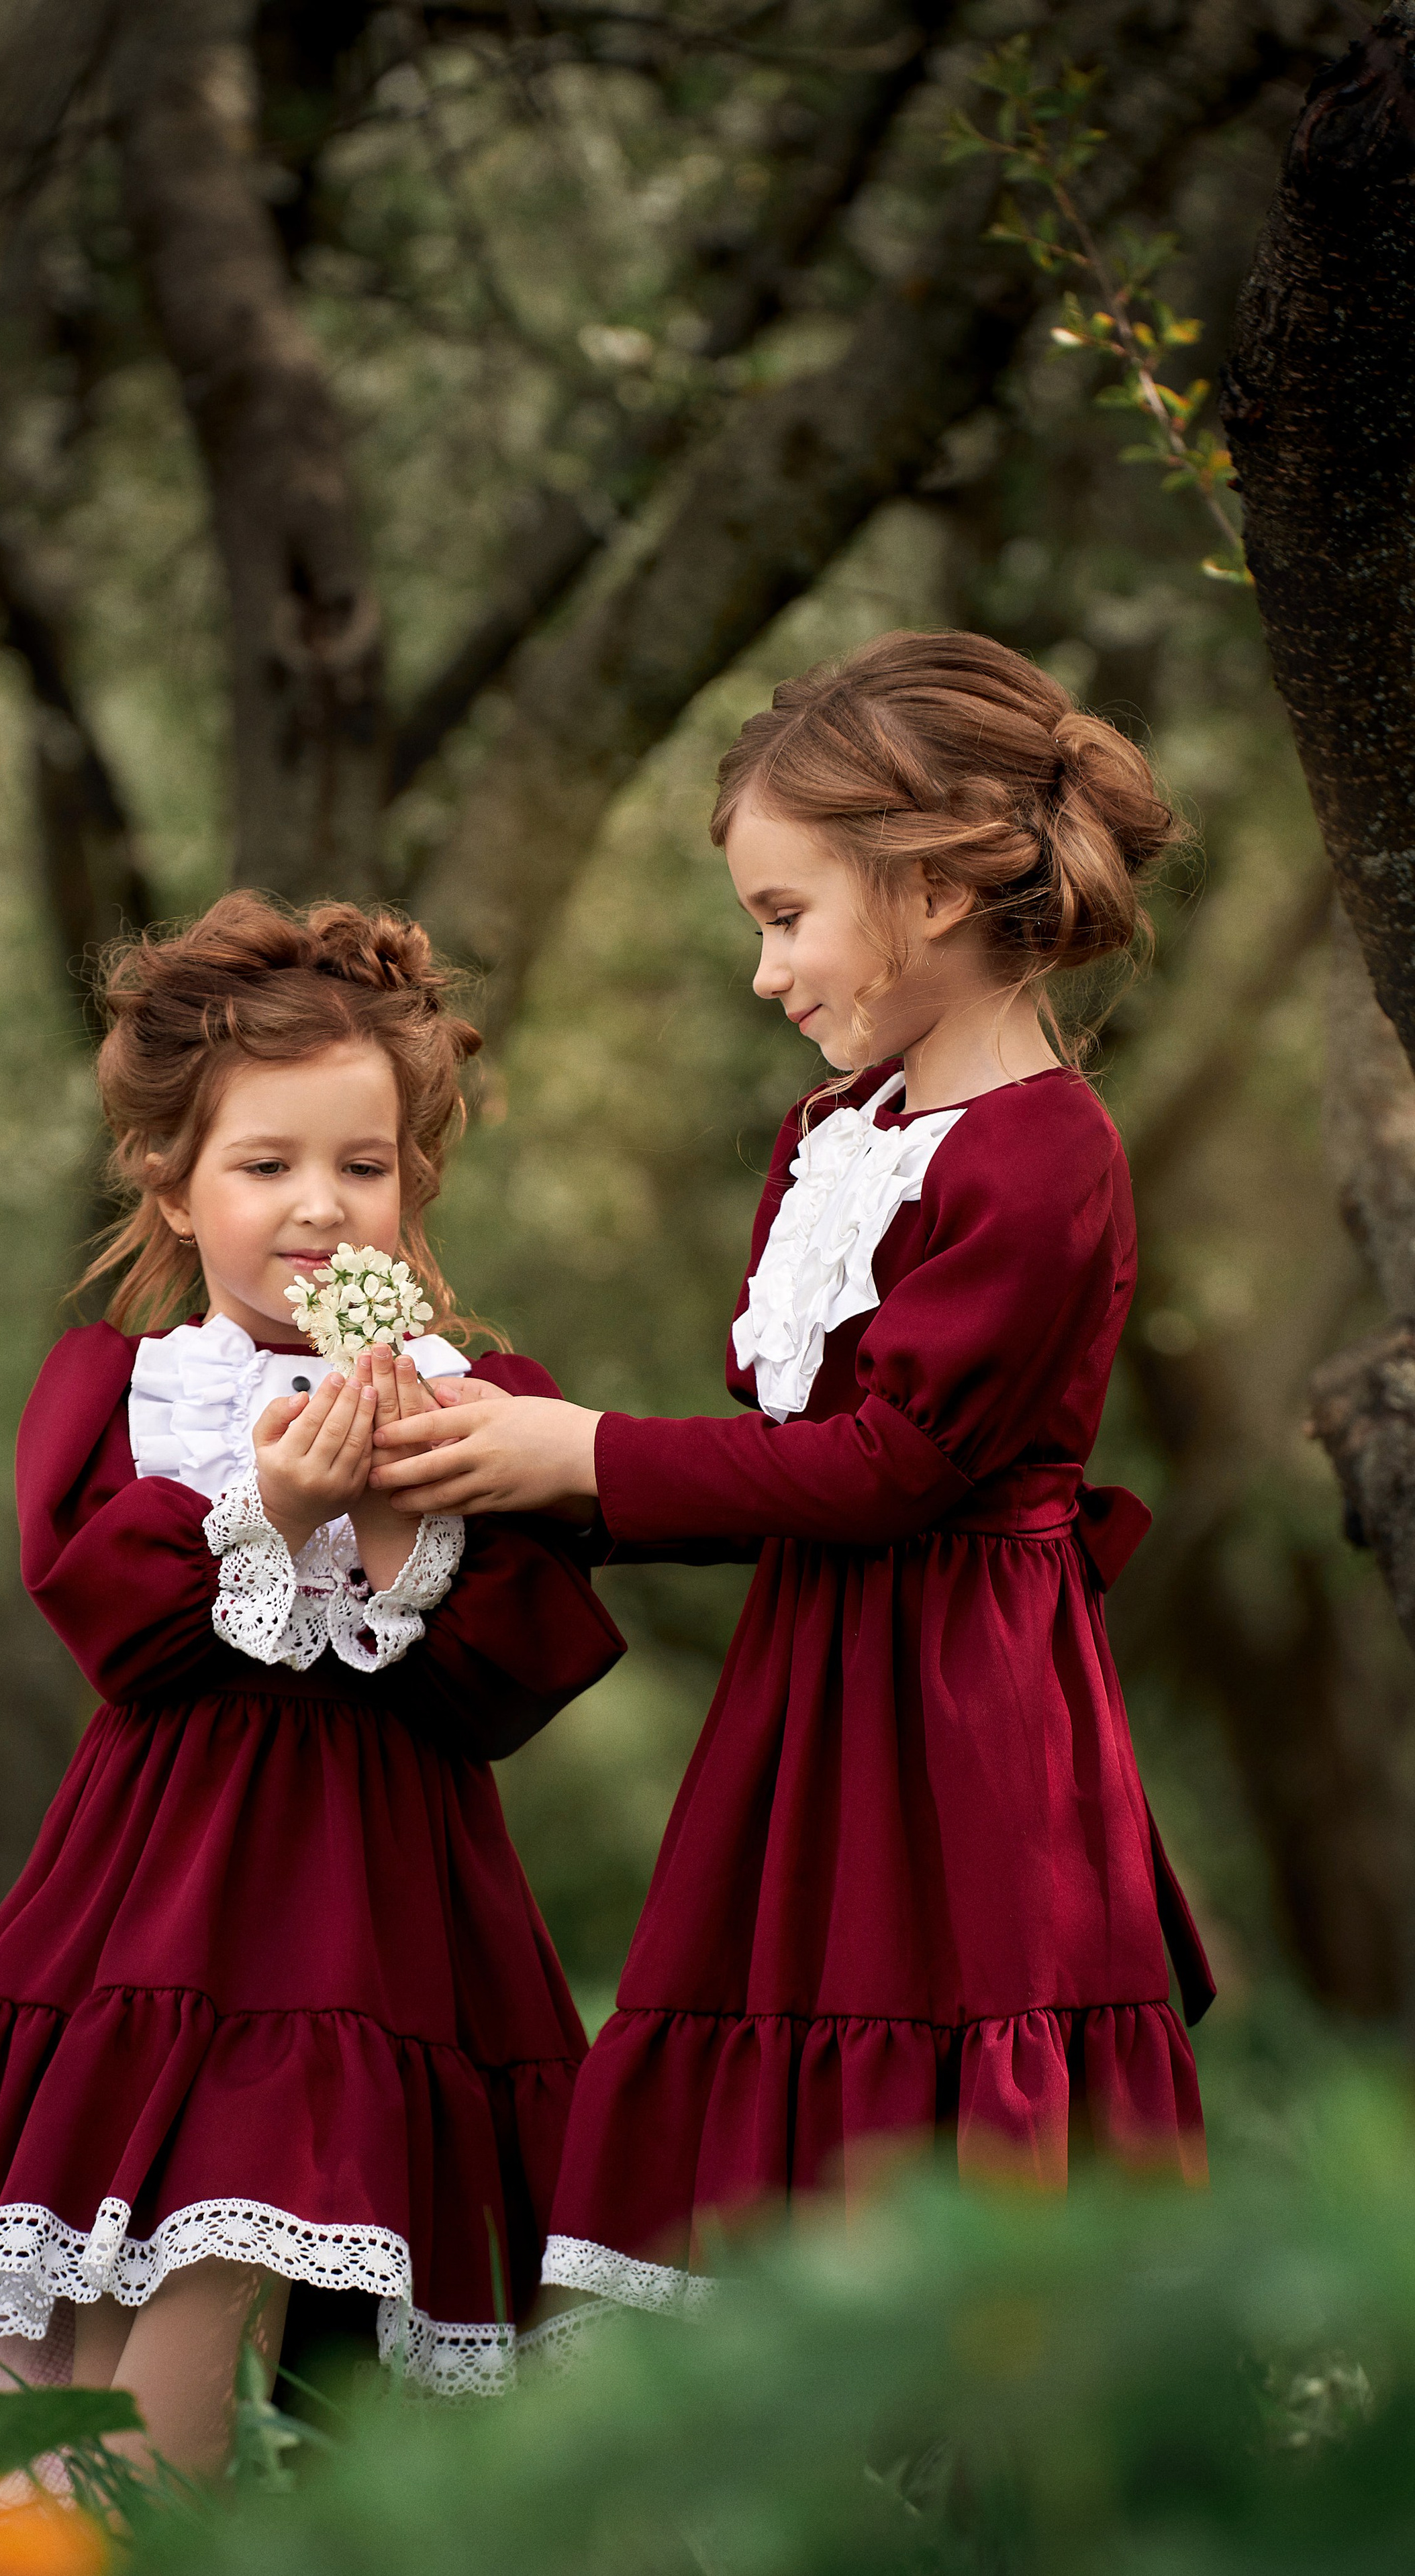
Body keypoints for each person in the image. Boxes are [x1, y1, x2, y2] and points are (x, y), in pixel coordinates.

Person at [372, 631, 1215, 2314]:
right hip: (819, 1680)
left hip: (963, 1704)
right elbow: (781, 1454)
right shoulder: (835, 1128)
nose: (764, 974)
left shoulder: (1048, 1152)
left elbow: (895, 1464)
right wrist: (511, 1457)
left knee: (946, 2030)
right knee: (773, 2033)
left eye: (783, 916)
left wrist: (588, 1455)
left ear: (930, 886)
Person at [0, 894, 624, 2459]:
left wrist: (398, 1514)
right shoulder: (125, 1389)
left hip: (375, 1904)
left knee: (235, 2244)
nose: (320, 1209)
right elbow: (106, 1617)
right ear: (169, 1184)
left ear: (415, 1180)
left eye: (363, 1167)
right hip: (156, 1886)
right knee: (50, 2282)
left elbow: (504, 1686)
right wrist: (268, 1503)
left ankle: (126, 2510)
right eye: (266, 1165)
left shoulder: (486, 1404)